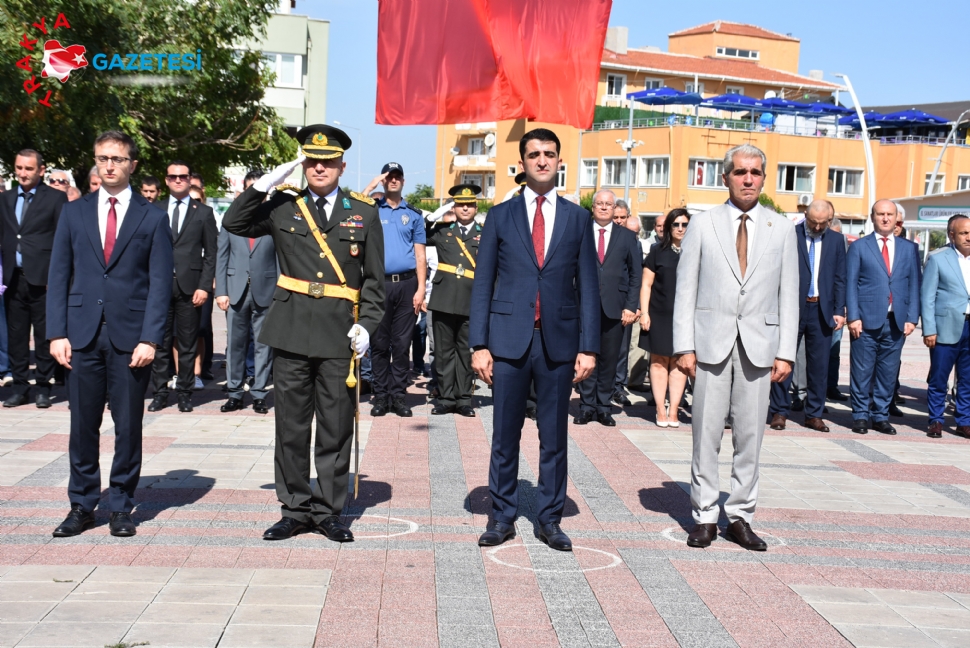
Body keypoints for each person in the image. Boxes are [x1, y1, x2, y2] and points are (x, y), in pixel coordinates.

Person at [221, 125, 385, 542]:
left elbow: (374, 281)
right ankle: (294, 508)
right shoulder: (283, 206)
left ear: (342, 167)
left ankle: (328, 510)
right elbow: (234, 222)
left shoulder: (363, 212)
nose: (319, 167)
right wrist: (262, 187)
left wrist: (366, 324)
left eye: (328, 162)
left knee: (335, 426)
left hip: (337, 334)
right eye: (312, 160)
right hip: (291, 329)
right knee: (291, 426)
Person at [471, 128, 599, 552]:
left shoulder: (578, 217)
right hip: (507, 343)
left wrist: (588, 346)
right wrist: (479, 344)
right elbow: (483, 282)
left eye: (549, 154)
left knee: (553, 438)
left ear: (559, 161)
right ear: (521, 163)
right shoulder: (500, 216)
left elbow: (589, 288)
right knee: (504, 436)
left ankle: (549, 519)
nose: (542, 160)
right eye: (533, 154)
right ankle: (502, 516)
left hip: (559, 344)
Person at [46, 130, 173, 537]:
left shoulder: (152, 215)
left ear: (132, 164)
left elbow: (159, 283)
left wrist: (151, 338)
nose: (109, 165)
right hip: (80, 335)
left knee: (128, 425)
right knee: (82, 424)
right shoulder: (74, 212)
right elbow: (59, 274)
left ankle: (120, 503)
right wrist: (56, 333)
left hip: (130, 337)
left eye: (117, 159)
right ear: (96, 162)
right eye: (103, 158)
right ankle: (82, 504)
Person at [673, 144, 798, 551]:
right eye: (740, 172)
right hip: (710, 344)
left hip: (760, 347)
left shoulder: (781, 228)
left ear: (764, 178)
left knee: (750, 437)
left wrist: (786, 352)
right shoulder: (704, 225)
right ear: (725, 177)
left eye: (755, 172)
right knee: (705, 433)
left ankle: (741, 515)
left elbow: (789, 294)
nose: (748, 179)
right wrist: (684, 346)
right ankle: (706, 515)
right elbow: (685, 290)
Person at [768, 200, 846, 433]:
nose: (818, 227)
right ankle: (780, 411)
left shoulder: (835, 240)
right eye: (814, 222)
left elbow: (840, 276)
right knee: (784, 359)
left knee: (819, 366)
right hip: (791, 308)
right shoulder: (790, 235)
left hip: (822, 309)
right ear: (805, 216)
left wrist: (839, 310)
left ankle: (814, 414)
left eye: (824, 223)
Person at [147, 161, 218, 413]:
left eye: (183, 176)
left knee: (187, 344)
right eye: (173, 176)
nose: (178, 180)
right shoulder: (154, 210)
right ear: (166, 180)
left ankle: (185, 393)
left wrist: (204, 286)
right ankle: (159, 393)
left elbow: (211, 253)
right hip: (160, 286)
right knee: (160, 343)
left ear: (190, 180)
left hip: (191, 288)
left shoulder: (204, 213)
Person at [845, 199, 921, 436]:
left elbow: (914, 285)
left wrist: (912, 317)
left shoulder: (909, 248)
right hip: (866, 320)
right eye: (881, 214)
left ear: (897, 219)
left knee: (888, 372)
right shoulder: (859, 247)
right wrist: (853, 317)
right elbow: (851, 284)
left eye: (890, 214)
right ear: (872, 217)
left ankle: (880, 416)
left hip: (896, 320)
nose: (886, 218)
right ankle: (859, 415)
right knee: (862, 370)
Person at [1, 149, 68, 408]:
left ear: (40, 170)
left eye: (28, 169)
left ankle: (43, 386)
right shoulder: (5, 199)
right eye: (19, 168)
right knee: (16, 335)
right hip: (13, 277)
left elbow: (63, 240)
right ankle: (19, 387)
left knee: (43, 334)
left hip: (43, 279)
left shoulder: (55, 199)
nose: (23, 173)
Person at [363, 162, 426, 417]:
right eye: (389, 177)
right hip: (378, 285)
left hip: (407, 285)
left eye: (397, 176)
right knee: (379, 344)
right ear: (383, 180)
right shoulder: (371, 210)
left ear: (403, 181)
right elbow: (352, 207)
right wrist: (370, 185)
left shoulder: (413, 214)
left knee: (401, 344)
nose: (393, 180)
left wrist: (421, 289)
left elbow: (420, 256)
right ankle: (381, 396)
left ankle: (399, 396)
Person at [575, 189, 640, 426]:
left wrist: (631, 306)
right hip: (585, 306)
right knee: (586, 355)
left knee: (609, 360)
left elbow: (635, 275)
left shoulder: (626, 237)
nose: (604, 207)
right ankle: (586, 405)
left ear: (615, 209)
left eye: (608, 204)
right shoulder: (581, 234)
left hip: (616, 308)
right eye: (599, 204)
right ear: (593, 207)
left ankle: (603, 407)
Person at [426, 184, 482, 417]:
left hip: (471, 302)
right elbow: (421, 228)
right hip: (444, 300)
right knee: (443, 352)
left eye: (469, 205)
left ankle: (464, 399)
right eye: (460, 204)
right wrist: (444, 208)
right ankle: (446, 397)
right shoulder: (443, 231)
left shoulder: (485, 233)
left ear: (476, 207)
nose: (465, 208)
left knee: (465, 353)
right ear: (455, 207)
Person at [215, 206, 278, 414]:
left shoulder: (273, 218)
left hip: (266, 290)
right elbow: (222, 256)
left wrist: (279, 291)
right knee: (235, 344)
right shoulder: (232, 219)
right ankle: (234, 393)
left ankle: (259, 393)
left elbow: (279, 258)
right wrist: (221, 291)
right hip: (235, 290)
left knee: (263, 346)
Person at [641, 208, 691, 427]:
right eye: (676, 224)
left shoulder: (695, 251)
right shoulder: (657, 251)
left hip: (686, 317)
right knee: (660, 362)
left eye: (684, 224)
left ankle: (674, 411)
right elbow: (646, 285)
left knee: (680, 364)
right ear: (669, 227)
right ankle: (660, 409)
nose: (680, 228)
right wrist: (644, 313)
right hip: (659, 314)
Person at [922, 214, 970, 440]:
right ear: (952, 235)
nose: (969, 237)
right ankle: (936, 420)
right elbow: (927, 297)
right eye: (963, 233)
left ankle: (964, 421)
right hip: (945, 328)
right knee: (939, 378)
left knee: (968, 379)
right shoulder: (938, 258)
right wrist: (929, 329)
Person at [826, 217, 850, 402]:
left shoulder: (846, 253)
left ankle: (831, 386)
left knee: (834, 350)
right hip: (817, 307)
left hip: (837, 310)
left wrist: (844, 308)